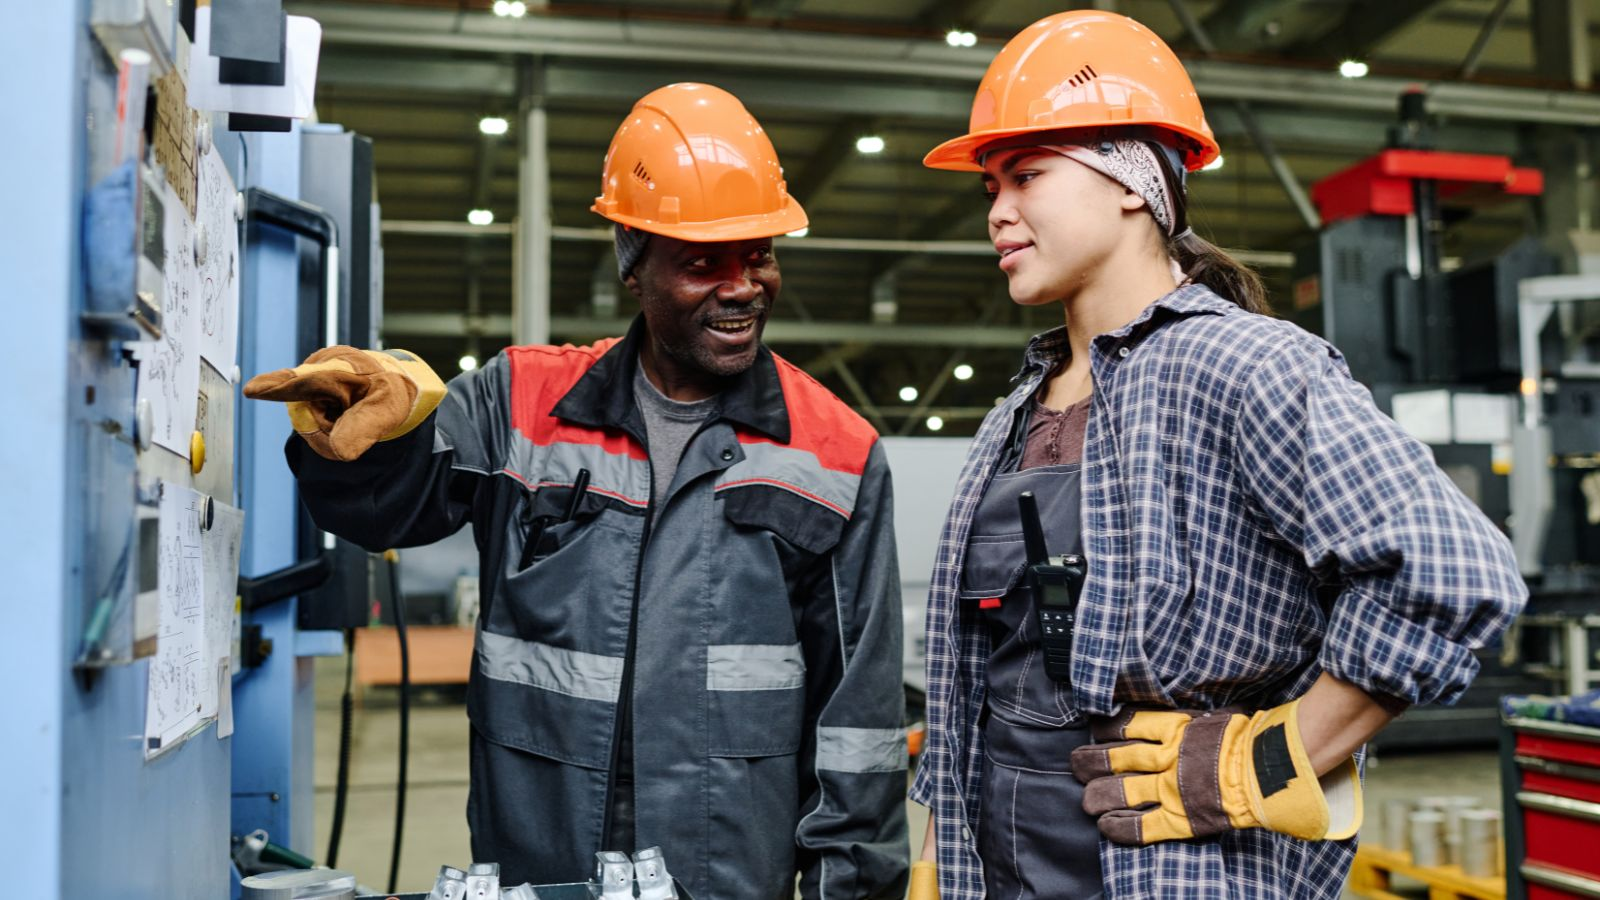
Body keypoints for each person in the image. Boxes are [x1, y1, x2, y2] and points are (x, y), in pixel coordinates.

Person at [904, 11, 1527, 900]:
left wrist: (1262, 761)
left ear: (1131, 181)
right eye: (990, 187)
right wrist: (941, 858)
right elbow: (986, 677)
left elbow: (1455, 573)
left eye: (1027, 175)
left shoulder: (1245, 367)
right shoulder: (1013, 412)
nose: (997, 211)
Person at [244, 83, 910, 900]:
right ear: (634, 260)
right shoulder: (520, 404)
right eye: (703, 263)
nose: (743, 287)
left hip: (725, 877)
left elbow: (861, 726)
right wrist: (359, 434)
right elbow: (390, 505)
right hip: (537, 869)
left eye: (760, 253)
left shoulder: (836, 451)